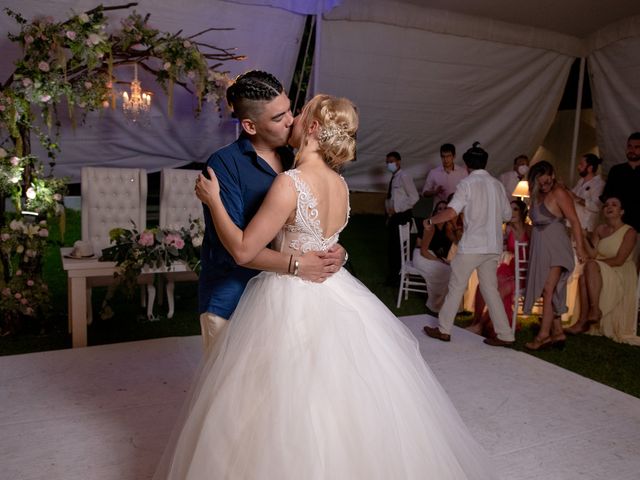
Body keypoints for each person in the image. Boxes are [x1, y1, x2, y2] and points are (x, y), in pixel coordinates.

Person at [154, 95, 494, 479]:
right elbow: (326, 241)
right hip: (335, 290)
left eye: (300, 115)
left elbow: (246, 250)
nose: (293, 120)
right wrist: (340, 254)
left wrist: (214, 201)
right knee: (338, 399)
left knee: (278, 401)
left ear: (314, 127)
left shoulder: (290, 183)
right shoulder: (340, 184)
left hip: (289, 292)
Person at [198, 71, 343, 348]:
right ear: (250, 126)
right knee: (233, 390)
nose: (291, 121)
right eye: (278, 118)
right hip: (232, 299)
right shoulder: (225, 164)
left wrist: (335, 252)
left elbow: (308, 223)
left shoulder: (294, 159)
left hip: (284, 303)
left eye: (289, 110)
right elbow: (237, 250)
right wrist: (298, 265)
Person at [423, 142, 516, 347]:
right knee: (490, 289)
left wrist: (431, 221)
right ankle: (505, 335)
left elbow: (451, 212)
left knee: (456, 287)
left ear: (467, 166)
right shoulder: (497, 185)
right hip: (492, 246)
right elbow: (507, 215)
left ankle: (444, 329)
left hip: (472, 245)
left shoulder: (466, 184)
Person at [523, 161, 587, 351]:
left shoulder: (559, 193)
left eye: (548, 179)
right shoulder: (534, 196)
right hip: (541, 245)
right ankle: (558, 331)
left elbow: (575, 221)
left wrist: (581, 249)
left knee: (549, 288)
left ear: (553, 174)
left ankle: (543, 335)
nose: (546, 184)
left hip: (557, 246)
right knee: (548, 289)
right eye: (541, 182)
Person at [564, 196, 639, 345]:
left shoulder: (629, 232)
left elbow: (620, 260)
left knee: (590, 266)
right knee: (587, 269)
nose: (609, 207)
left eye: (614, 205)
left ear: (622, 211)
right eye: (606, 205)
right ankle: (585, 319)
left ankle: (591, 313)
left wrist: (595, 265)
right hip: (602, 269)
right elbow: (592, 254)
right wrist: (585, 237)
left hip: (621, 271)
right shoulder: (600, 229)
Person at [467, 200, 531, 338]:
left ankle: (481, 325)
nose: (512, 212)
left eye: (515, 209)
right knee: (483, 285)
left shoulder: (529, 230)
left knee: (498, 291)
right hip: (509, 269)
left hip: (524, 274)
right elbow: (501, 246)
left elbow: (534, 253)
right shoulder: (508, 229)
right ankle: (476, 320)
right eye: (509, 209)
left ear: (522, 212)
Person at [601, 132, 640, 264]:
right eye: (629, 146)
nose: (632, 150)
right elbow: (606, 198)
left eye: (636, 147)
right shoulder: (617, 171)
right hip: (617, 228)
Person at [412, 200, 456, 314]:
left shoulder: (446, 227)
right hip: (422, 256)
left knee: (451, 270)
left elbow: (456, 241)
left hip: (432, 255)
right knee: (444, 271)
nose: (442, 211)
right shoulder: (430, 226)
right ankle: (434, 305)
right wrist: (439, 260)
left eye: (445, 209)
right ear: (435, 212)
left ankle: (443, 304)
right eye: (439, 209)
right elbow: (423, 251)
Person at [384, 151, 419, 285]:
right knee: (392, 246)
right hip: (394, 215)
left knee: (398, 247)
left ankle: (398, 277)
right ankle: (393, 276)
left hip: (402, 216)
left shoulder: (404, 176)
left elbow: (414, 197)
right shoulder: (395, 177)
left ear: (398, 162)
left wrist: (398, 209)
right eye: (387, 162)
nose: (389, 164)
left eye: (391, 161)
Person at [570, 153, 604, 234]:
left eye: (581, 164)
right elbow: (571, 195)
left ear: (590, 168)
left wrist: (577, 199)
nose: (578, 167)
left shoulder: (599, 184)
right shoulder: (581, 181)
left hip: (586, 227)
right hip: (574, 224)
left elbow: (596, 206)